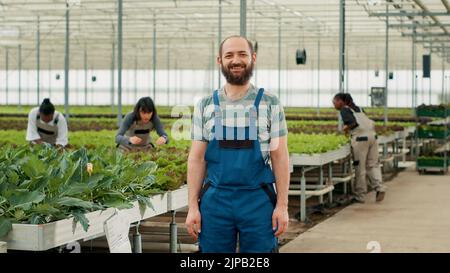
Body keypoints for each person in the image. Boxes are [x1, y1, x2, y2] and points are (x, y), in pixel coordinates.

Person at [185, 35, 290, 253]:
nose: (236, 60)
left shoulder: (270, 102)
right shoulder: (205, 105)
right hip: (215, 202)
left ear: (253, 58)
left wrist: (282, 205)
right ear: (219, 61)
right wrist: (193, 207)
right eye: (229, 55)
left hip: (258, 201)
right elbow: (196, 158)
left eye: (242, 54)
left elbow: (280, 157)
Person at [333, 93, 386, 203]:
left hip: (361, 140)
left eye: (335, 102)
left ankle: (360, 195)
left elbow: (353, 123)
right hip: (373, 137)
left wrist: (344, 130)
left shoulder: (345, 110)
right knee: (373, 164)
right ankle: (380, 188)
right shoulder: (359, 109)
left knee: (360, 167)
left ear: (341, 101)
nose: (334, 105)